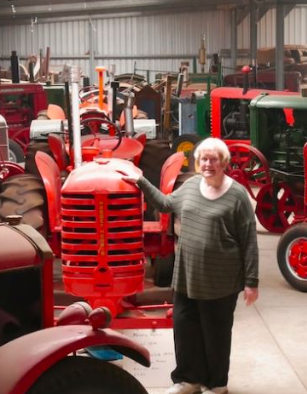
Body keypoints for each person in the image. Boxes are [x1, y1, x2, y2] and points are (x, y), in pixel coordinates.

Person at [123, 137, 259, 394]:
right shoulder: (191, 186)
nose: (208, 164)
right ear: (197, 162)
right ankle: (188, 380)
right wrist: (141, 182)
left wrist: (252, 282)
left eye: (214, 159)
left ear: (224, 162)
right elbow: (165, 204)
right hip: (187, 275)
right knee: (185, 329)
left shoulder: (237, 195)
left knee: (215, 333)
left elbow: (249, 240)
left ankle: (216, 383)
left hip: (221, 279)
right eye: (203, 159)